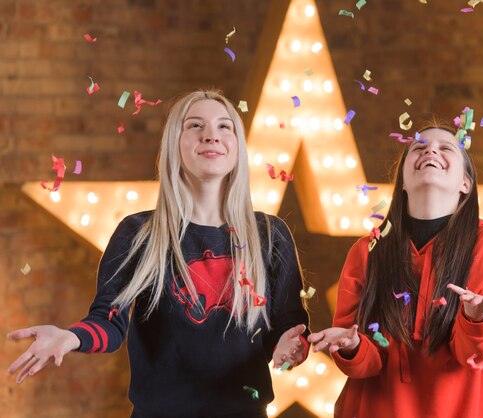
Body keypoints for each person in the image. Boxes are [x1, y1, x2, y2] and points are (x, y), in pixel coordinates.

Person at [7, 89, 310, 418]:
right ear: (174, 145)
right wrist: (70, 337)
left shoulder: (270, 234)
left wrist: (290, 347)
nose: (211, 134)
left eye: (225, 127)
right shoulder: (138, 234)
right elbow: (107, 322)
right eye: (195, 125)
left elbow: (291, 327)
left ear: (238, 147)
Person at [308, 120, 483, 418]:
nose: (430, 149)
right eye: (418, 147)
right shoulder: (366, 250)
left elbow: (476, 356)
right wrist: (351, 346)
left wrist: (476, 320)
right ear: (403, 181)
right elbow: (364, 364)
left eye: (445, 147)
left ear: (465, 184)